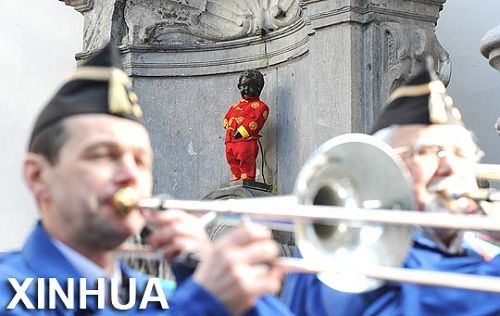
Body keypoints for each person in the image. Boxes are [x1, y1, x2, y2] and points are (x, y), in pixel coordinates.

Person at [0, 44, 293, 315]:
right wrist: (203, 303)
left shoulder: (160, 297)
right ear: (38, 176)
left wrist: (204, 267)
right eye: (103, 155)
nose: (130, 174)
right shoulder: (10, 289)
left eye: (141, 161)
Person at [281, 59, 500, 315]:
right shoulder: (351, 242)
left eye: (462, 153)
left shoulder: (480, 247)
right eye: (430, 152)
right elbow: (432, 305)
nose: (450, 166)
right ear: (383, 168)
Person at [223, 70, 269, 182]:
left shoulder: (260, 106)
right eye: (243, 86)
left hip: (245, 141)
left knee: (246, 158)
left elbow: (255, 121)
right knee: (231, 159)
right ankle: (236, 175)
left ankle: (247, 176)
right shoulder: (235, 106)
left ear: (258, 89)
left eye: (250, 86)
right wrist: (226, 124)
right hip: (230, 140)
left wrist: (242, 131)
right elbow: (228, 117)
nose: (246, 90)